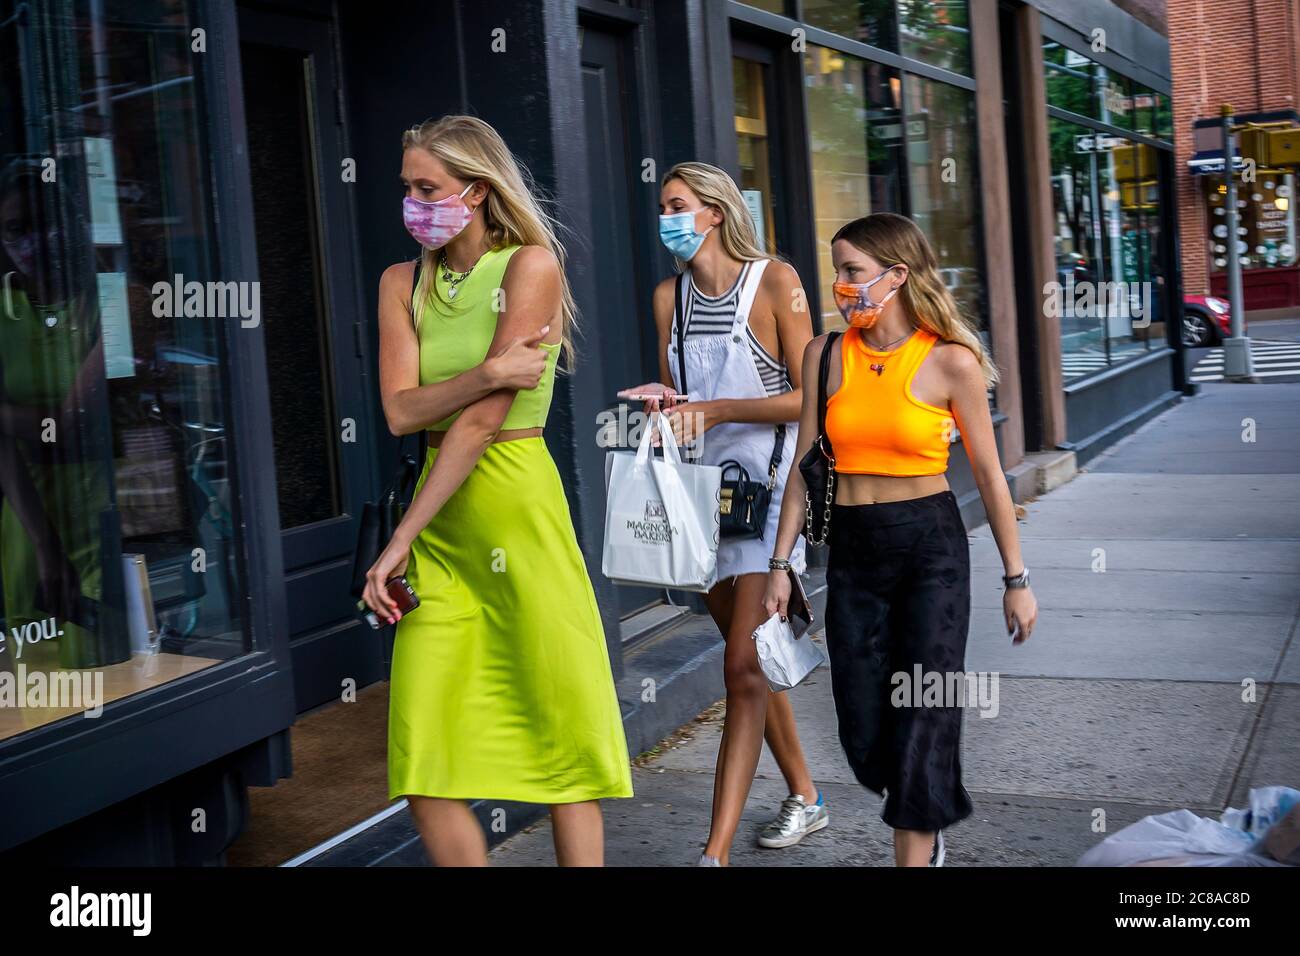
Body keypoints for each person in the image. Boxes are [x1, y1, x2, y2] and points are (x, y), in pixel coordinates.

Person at [363, 115, 632, 867]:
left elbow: (480, 427)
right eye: (407, 188)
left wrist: (399, 540)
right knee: (424, 752)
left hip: (514, 509)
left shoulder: (530, 267)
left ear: (476, 191)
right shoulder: (400, 283)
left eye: (429, 188)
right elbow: (397, 412)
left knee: (560, 728)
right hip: (440, 530)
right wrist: (485, 371)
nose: (414, 203)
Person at [764, 212, 1039, 867]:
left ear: (897, 275)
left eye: (853, 272)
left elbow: (992, 479)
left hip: (930, 552)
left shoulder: (951, 362)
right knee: (862, 722)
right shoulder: (825, 356)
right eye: (837, 272)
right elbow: (804, 470)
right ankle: (926, 808)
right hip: (854, 553)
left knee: (925, 707)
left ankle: (917, 838)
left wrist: (1016, 578)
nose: (841, 286)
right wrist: (781, 563)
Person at [625, 161, 823, 865]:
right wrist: (664, 408)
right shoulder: (665, 298)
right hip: (705, 500)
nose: (666, 218)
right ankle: (805, 792)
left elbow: (810, 396)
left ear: (715, 211)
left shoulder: (775, 280)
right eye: (662, 207)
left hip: (772, 495)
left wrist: (718, 409)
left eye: (678, 204)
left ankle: (714, 853)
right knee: (751, 665)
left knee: (740, 668)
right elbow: (681, 398)